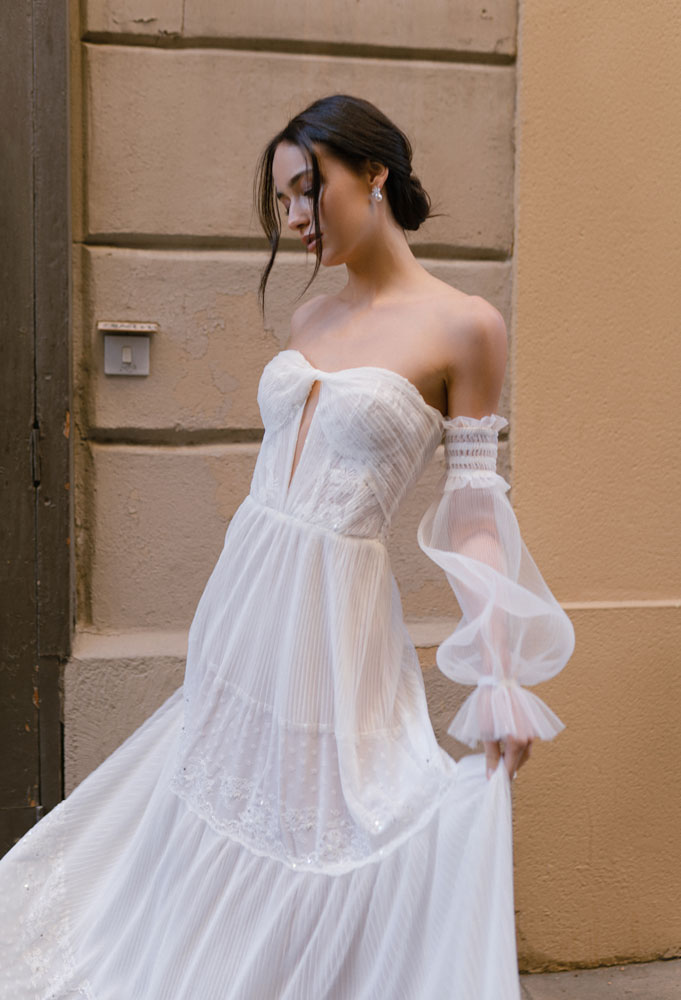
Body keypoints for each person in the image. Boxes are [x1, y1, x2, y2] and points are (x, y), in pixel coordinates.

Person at [0, 94, 575, 999]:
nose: (296, 218)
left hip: (335, 621)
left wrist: (497, 671)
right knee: (222, 807)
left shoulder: (465, 327)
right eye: (282, 202)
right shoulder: (310, 322)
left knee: (342, 825)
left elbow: (473, 509)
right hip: (243, 606)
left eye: (309, 189)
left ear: (374, 173)